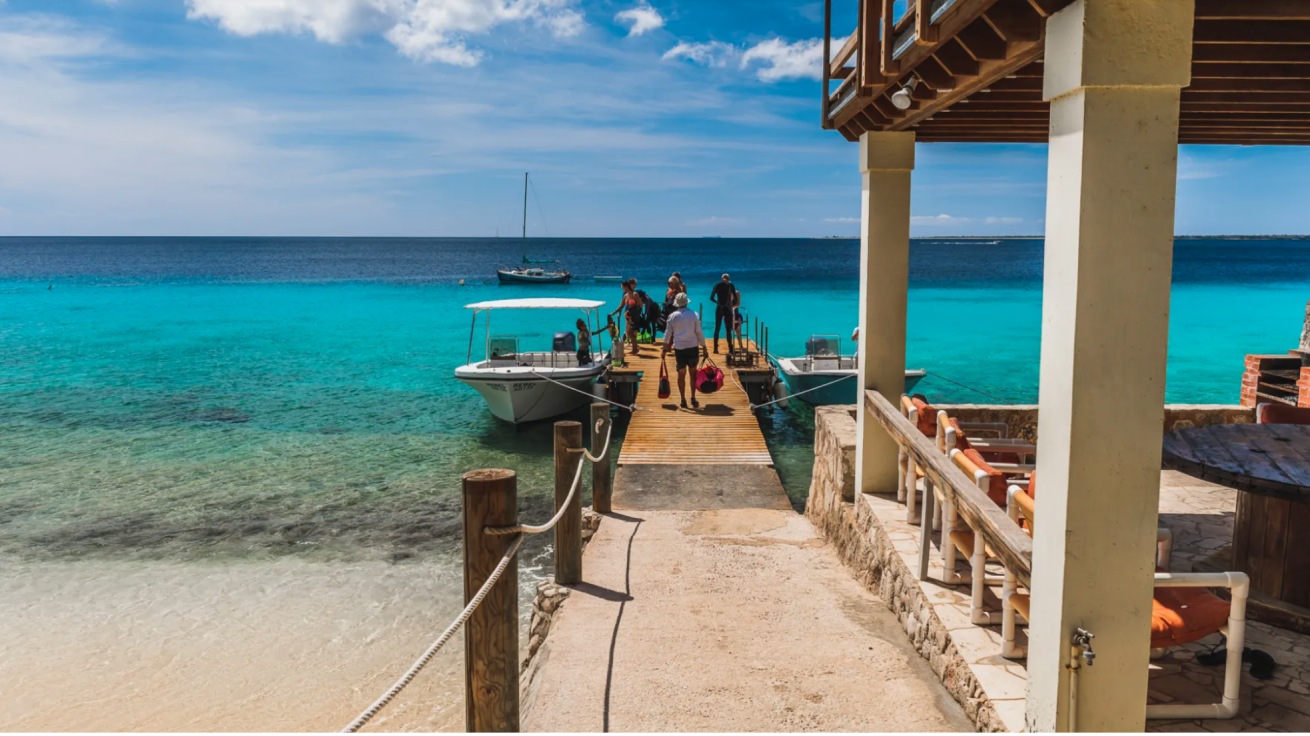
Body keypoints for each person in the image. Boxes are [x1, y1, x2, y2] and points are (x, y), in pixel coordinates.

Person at [661, 292, 708, 409]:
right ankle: (693, 397)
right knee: (693, 374)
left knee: (681, 374)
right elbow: (699, 332)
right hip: (693, 348)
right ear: (687, 302)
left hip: (679, 349)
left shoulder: (672, 317)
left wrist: (664, 349)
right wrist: (704, 347)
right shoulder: (694, 315)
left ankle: (682, 399)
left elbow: (667, 334)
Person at [710, 273, 736, 355]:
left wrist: (718, 302)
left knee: (717, 328)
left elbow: (711, 298)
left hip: (719, 308)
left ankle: (715, 348)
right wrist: (731, 304)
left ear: (722, 278)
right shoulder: (730, 285)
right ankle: (730, 349)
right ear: (728, 278)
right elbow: (735, 297)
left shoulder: (717, 285)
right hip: (727, 308)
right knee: (728, 329)